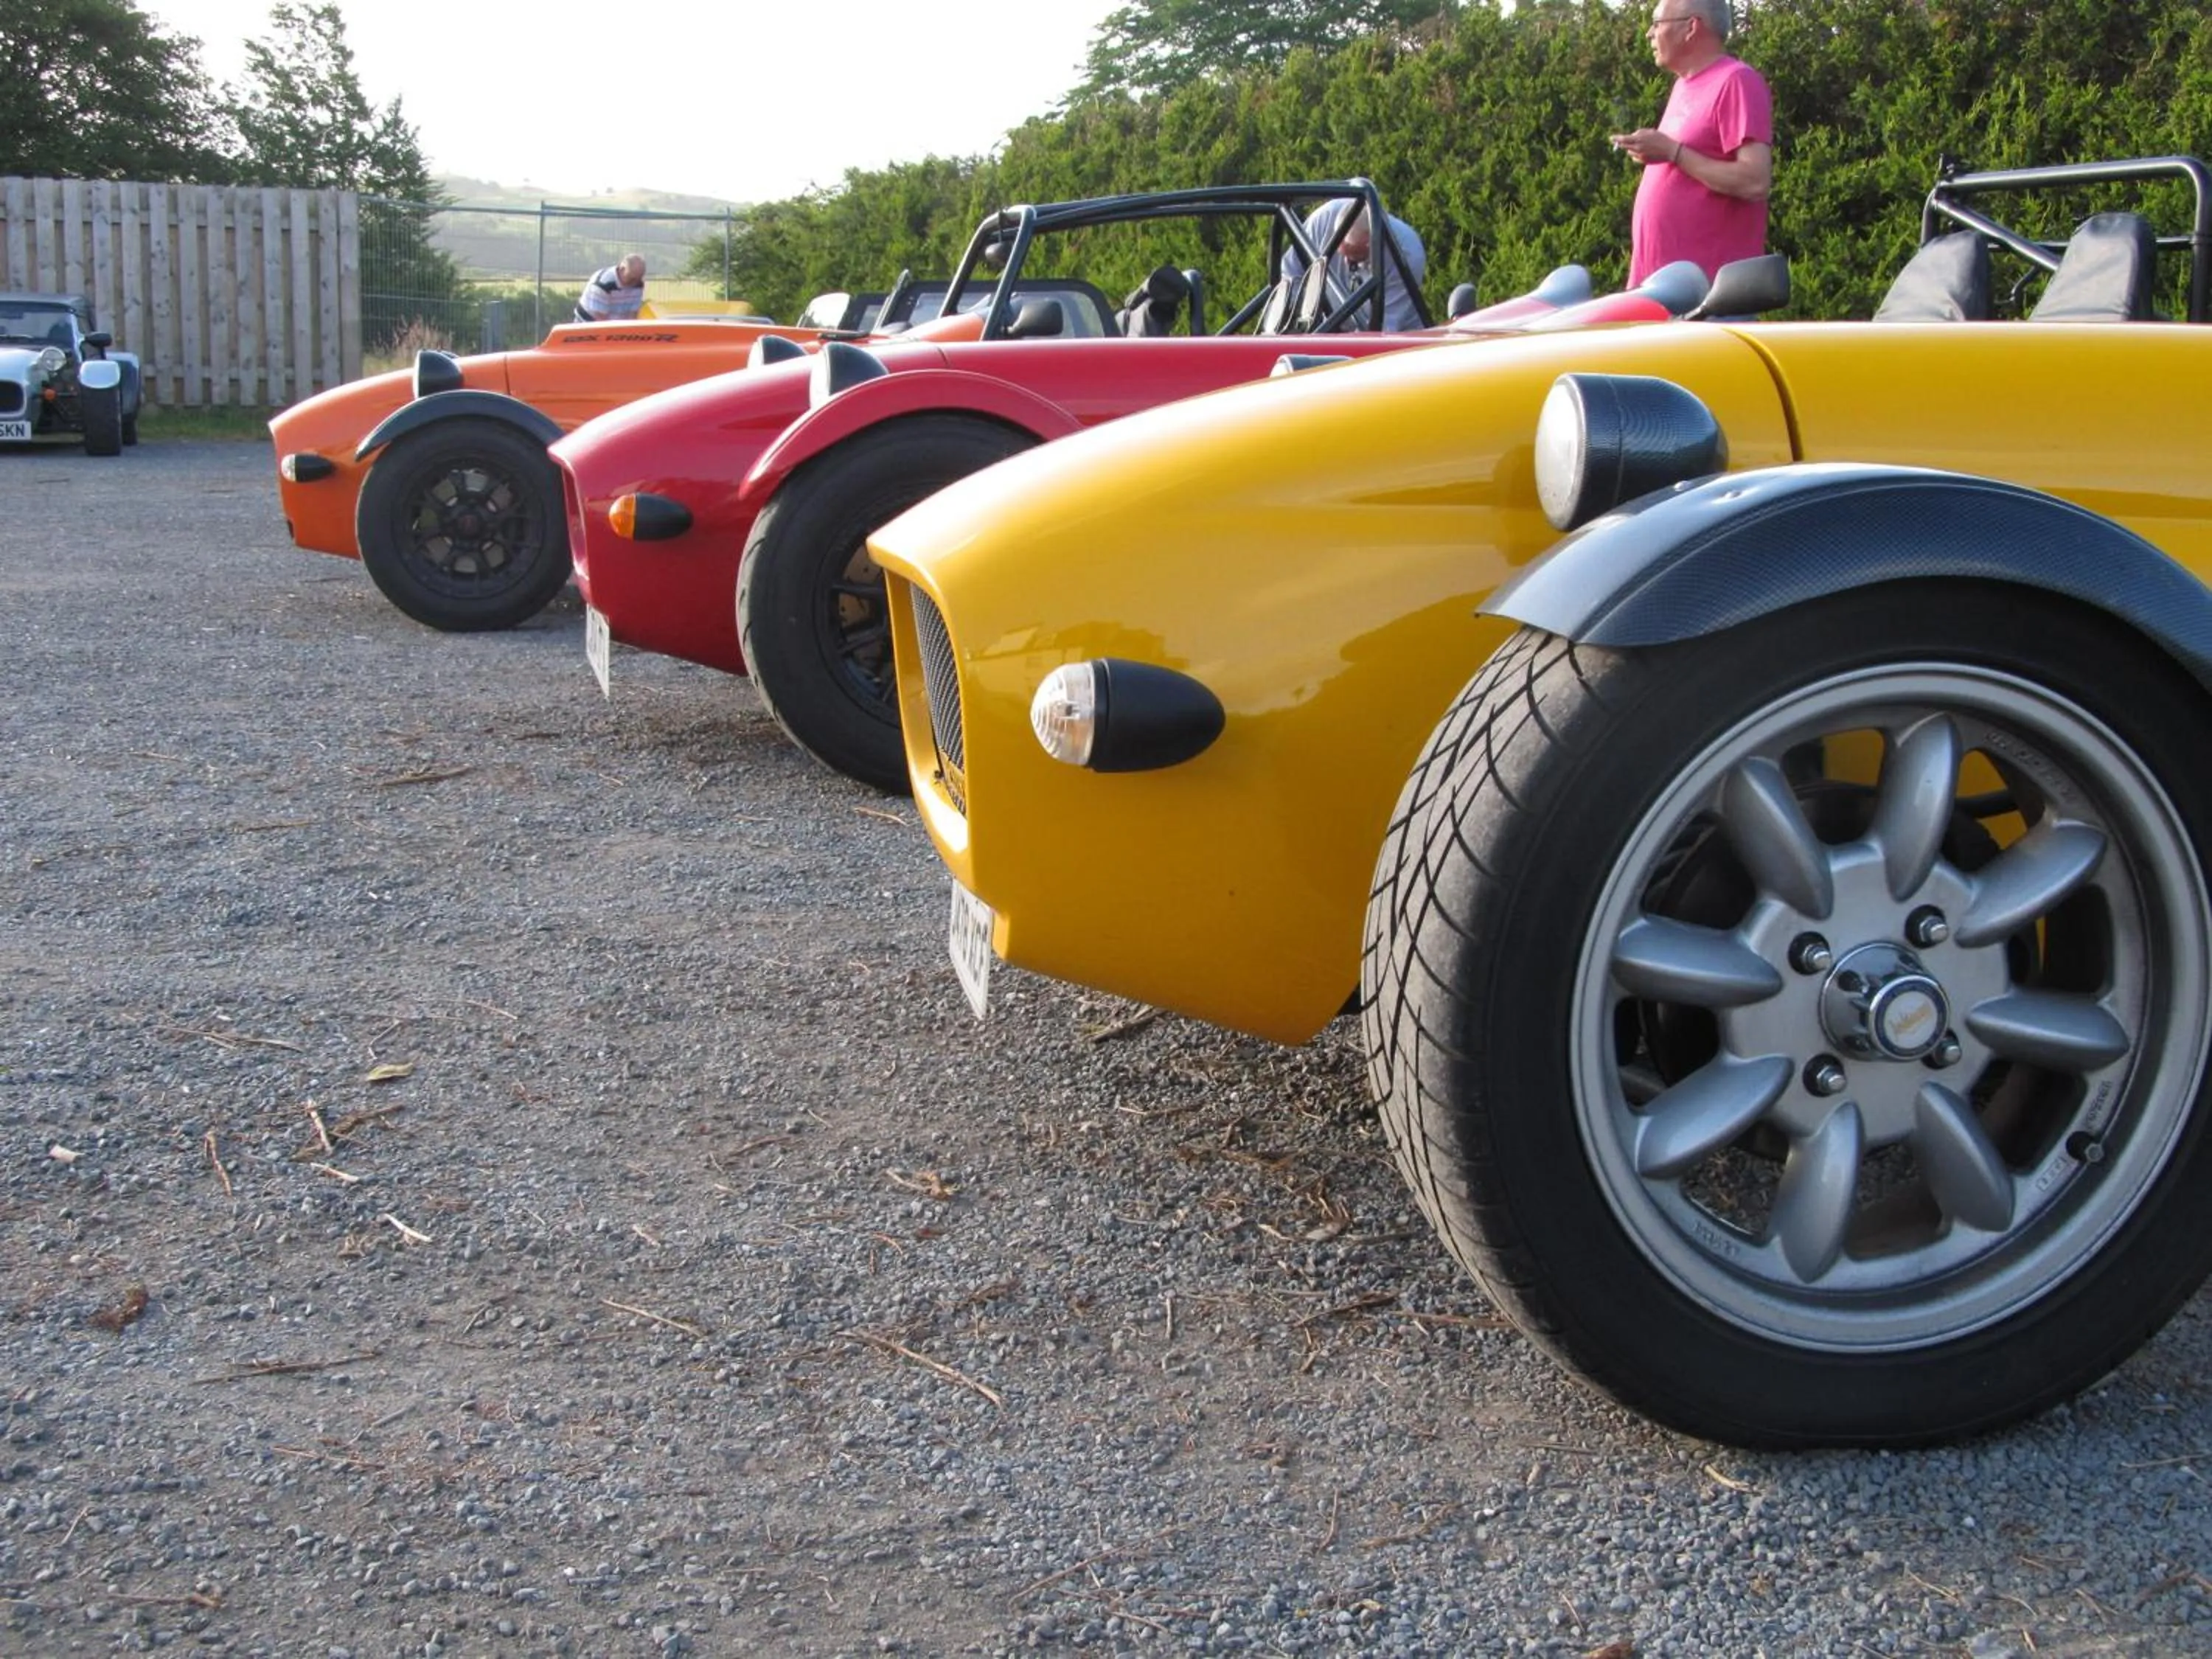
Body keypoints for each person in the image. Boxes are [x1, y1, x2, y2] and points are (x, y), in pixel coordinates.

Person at [1609, 0, 1773, 285]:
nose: (1649, 34)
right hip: (1660, 290)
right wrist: (1656, 152)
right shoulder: (1683, 86)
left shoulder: (1737, 81)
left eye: (1657, 23)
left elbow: (1754, 181)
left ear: (1691, 27)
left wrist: (1673, 152)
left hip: (1705, 297)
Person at [1280, 198, 1427, 331]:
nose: (1345, 262)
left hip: (1395, 345)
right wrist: (1301, 322)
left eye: (1354, 258)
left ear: (1372, 244)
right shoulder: (1323, 221)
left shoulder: (1406, 255)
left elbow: (1385, 329)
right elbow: (1291, 273)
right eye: (1341, 252)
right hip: (1327, 330)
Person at [574, 254, 647, 324]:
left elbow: (632, 316)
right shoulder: (603, 284)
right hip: (588, 324)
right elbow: (600, 321)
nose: (635, 283)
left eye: (639, 278)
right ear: (622, 269)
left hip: (616, 324)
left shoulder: (638, 284)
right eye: (632, 279)